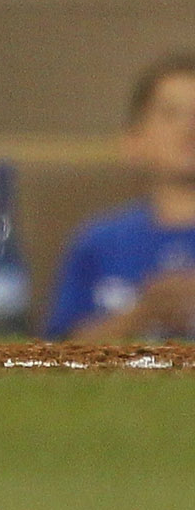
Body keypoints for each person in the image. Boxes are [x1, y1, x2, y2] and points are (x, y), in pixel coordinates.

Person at [45, 54, 195, 342]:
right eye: (171, 114)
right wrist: (143, 315)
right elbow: (59, 351)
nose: (189, 129)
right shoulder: (99, 242)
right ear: (133, 141)